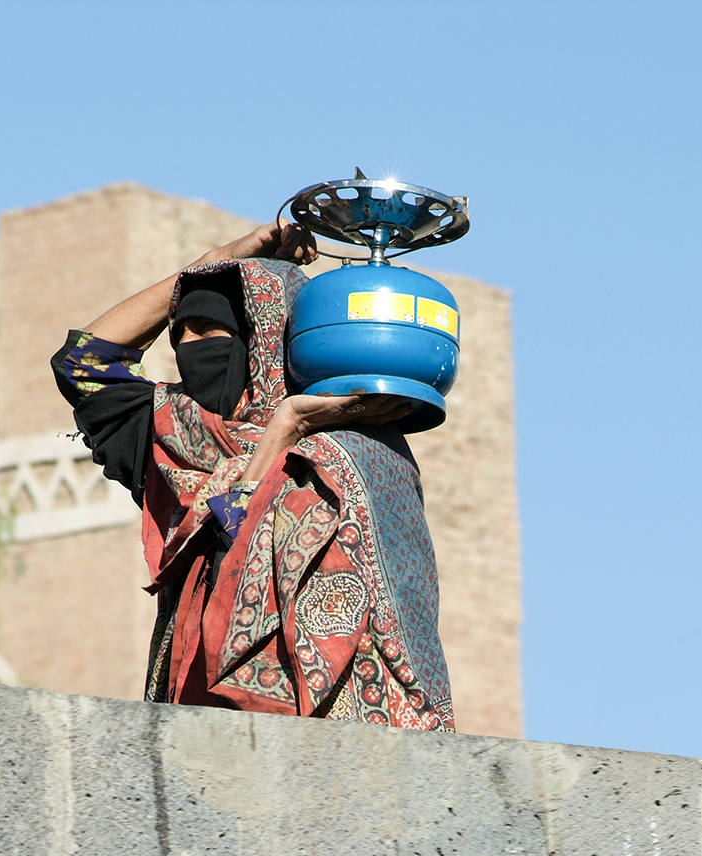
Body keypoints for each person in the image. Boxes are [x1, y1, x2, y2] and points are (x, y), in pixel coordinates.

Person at [50, 222, 454, 730]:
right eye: (180, 333)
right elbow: (83, 362)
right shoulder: (172, 436)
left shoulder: (349, 448)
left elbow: (241, 538)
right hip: (196, 712)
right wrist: (216, 261)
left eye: (209, 330)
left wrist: (290, 426)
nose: (190, 345)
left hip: (325, 723)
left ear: (262, 336)